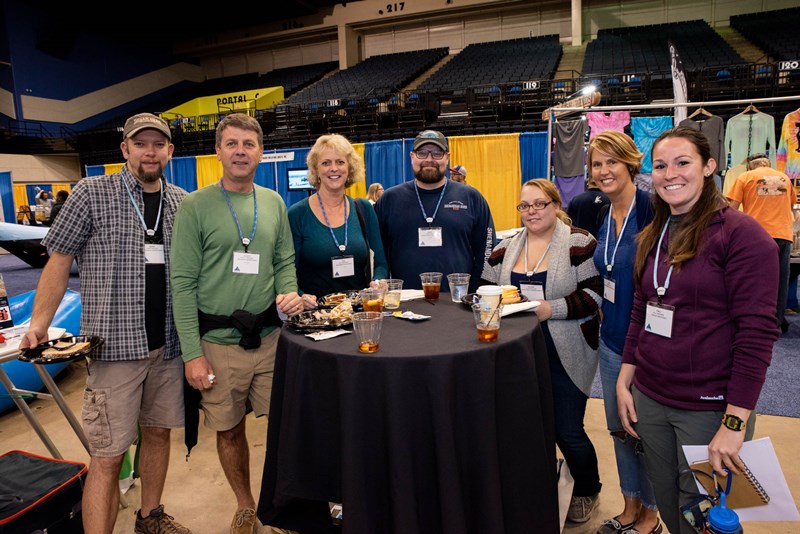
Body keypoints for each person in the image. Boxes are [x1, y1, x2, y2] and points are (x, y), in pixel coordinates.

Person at [20, 112, 190, 534]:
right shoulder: (91, 193)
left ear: (170, 150)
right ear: (125, 149)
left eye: (158, 144)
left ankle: (150, 517)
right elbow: (58, 260)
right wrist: (40, 322)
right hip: (115, 349)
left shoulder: (182, 202)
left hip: (168, 348)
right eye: (141, 143)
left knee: (157, 434)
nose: (150, 151)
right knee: (108, 456)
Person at [618, 127, 779, 534]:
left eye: (683, 162)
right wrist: (625, 378)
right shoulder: (655, 231)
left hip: (709, 406)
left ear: (708, 167)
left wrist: (734, 423)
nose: (670, 173)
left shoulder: (742, 235)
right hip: (651, 397)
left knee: (703, 515)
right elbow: (643, 306)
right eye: (660, 165)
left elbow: (757, 334)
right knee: (671, 504)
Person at [170, 113, 305, 534]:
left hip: (270, 338)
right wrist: (192, 354)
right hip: (218, 343)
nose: (241, 151)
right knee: (228, 430)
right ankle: (246, 505)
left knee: (288, 426)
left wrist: (288, 293)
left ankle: (285, 503)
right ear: (218, 151)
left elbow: (284, 260)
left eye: (249, 144)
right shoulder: (195, 206)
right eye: (232, 144)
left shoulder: (274, 202)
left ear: (262, 153)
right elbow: (182, 283)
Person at [481, 178, 603, 525]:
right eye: (524, 206)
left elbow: (595, 294)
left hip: (566, 352)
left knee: (568, 430)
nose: (531, 211)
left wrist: (551, 308)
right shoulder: (505, 247)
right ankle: (539, 483)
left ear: (556, 205)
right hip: (517, 356)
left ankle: (588, 489)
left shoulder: (579, 242)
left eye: (539, 204)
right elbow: (487, 288)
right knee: (527, 428)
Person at [588, 131, 660, 534]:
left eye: (612, 161)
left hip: (647, 345)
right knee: (619, 430)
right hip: (612, 339)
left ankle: (651, 513)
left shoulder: (651, 208)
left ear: (631, 162)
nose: (603, 170)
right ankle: (630, 507)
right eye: (597, 164)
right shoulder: (605, 212)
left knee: (644, 431)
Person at [375, 130, 495, 293]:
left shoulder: (471, 198)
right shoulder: (389, 200)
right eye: (422, 153)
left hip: (457, 302)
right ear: (412, 156)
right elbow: (378, 254)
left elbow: (486, 250)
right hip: (404, 304)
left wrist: (474, 291)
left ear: (447, 157)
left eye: (437, 153)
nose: (429, 160)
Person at [288, 134, 388, 299]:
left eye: (340, 162)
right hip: (316, 316)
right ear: (316, 170)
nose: (334, 168)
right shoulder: (297, 214)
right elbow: (288, 270)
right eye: (326, 163)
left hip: (359, 313)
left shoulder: (364, 209)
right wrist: (300, 296)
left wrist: (378, 281)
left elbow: (381, 263)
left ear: (349, 168)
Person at [726, 152, 795, 334]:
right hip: (783, 235)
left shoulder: (746, 177)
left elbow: (731, 210)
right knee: (780, 281)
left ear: (750, 165)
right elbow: (791, 208)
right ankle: (776, 323)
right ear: (769, 164)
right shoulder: (785, 179)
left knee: (753, 279)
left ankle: (751, 320)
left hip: (756, 236)